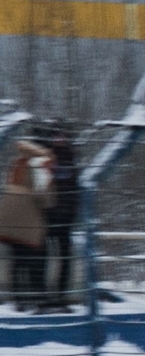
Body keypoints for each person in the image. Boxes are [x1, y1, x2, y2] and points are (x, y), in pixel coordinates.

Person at [1, 138, 56, 313]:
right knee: (37, 260)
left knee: (17, 260)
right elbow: (44, 198)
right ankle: (39, 300)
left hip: (8, 220)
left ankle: (19, 300)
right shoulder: (40, 164)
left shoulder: (17, 161)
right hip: (29, 221)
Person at [39, 127, 79, 312]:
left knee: (64, 258)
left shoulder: (70, 158)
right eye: (55, 136)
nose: (58, 139)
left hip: (63, 219)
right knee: (44, 258)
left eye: (61, 135)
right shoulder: (44, 158)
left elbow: (75, 191)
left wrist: (71, 214)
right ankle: (45, 297)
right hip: (47, 217)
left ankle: (60, 297)